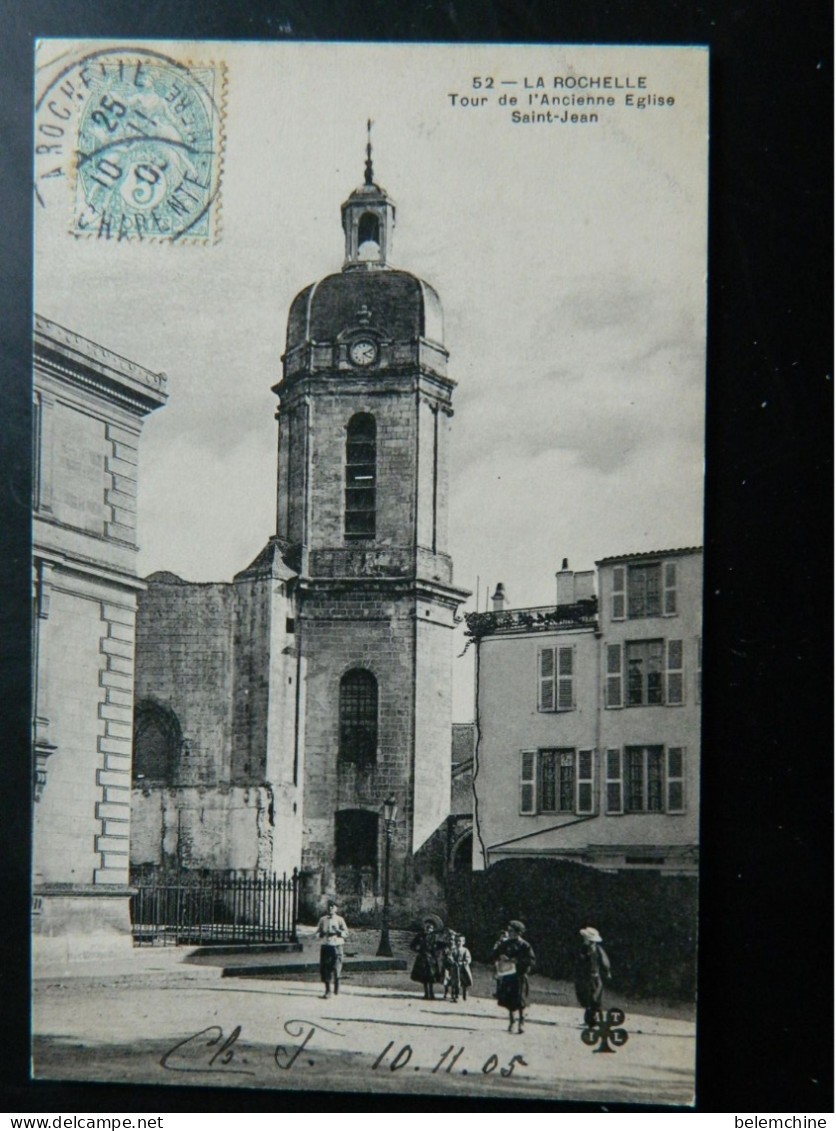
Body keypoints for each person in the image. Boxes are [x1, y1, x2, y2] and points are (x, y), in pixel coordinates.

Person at [490, 920, 535, 1033]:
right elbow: (494, 955)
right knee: (509, 1000)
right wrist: (500, 956)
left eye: (511, 931)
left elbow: (531, 960)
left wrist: (518, 960)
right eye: (509, 930)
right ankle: (512, 1021)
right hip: (508, 975)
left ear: (518, 932)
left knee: (520, 1000)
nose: (509, 933)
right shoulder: (505, 944)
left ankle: (521, 1023)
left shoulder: (525, 945)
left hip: (520, 975)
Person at [574, 926, 612, 1028]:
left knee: (594, 999)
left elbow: (605, 961)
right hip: (584, 977)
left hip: (594, 977)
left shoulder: (597, 949)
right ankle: (588, 1020)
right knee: (586, 998)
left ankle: (595, 1021)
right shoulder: (583, 948)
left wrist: (607, 971)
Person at [315, 898, 349, 998]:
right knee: (325, 967)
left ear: (336, 909)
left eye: (333, 906)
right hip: (326, 945)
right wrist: (320, 934)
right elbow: (317, 932)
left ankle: (337, 985)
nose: (330, 908)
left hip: (337, 945)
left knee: (337, 966)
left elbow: (346, 933)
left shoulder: (340, 919)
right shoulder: (322, 919)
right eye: (329, 906)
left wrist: (340, 932)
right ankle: (328, 990)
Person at [410, 915, 443, 1000]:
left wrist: (436, 951)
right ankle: (426, 993)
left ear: (433, 929)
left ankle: (431, 993)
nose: (428, 929)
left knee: (431, 976)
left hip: (432, 959)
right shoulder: (420, 936)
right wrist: (418, 950)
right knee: (424, 976)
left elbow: (440, 946)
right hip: (422, 958)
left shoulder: (435, 937)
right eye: (427, 927)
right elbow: (412, 945)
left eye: (431, 928)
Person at [453, 934, 473, 1002]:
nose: (458, 943)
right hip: (456, 968)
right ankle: (456, 995)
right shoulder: (453, 950)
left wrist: (464, 962)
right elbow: (450, 957)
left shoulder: (465, 950)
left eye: (460, 941)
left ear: (463, 942)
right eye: (456, 941)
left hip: (464, 969)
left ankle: (465, 994)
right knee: (456, 982)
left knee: (465, 982)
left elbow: (468, 958)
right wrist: (453, 962)